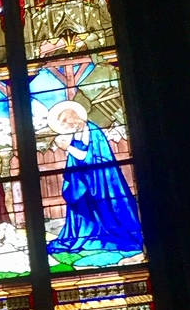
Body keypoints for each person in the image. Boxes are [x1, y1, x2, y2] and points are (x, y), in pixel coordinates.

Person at [45, 100, 143, 263]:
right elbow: (76, 160)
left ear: (73, 120)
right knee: (83, 206)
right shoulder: (76, 133)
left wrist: (67, 147)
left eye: (65, 124)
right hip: (84, 181)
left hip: (101, 180)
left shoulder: (94, 132)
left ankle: (114, 235)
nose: (65, 128)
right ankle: (88, 234)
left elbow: (89, 158)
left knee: (107, 208)